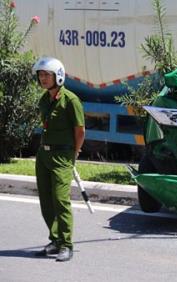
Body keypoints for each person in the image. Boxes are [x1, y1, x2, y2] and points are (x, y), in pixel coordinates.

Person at [32, 57, 85, 262]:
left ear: (58, 76)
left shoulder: (70, 100)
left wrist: (75, 152)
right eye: (41, 75)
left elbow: (80, 131)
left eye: (47, 75)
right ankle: (54, 240)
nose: (43, 79)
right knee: (46, 200)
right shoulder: (44, 100)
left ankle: (66, 244)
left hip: (63, 156)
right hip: (44, 155)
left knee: (61, 200)